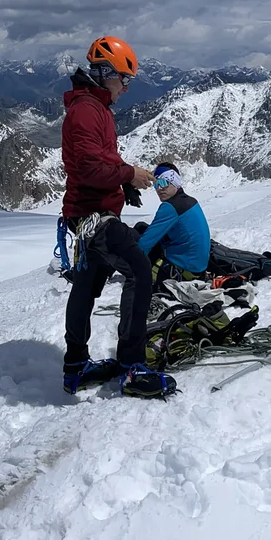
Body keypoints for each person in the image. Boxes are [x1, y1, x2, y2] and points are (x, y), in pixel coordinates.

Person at [61, 36, 175, 400]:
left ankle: (76, 367)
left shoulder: (93, 107)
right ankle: (131, 367)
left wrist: (121, 184)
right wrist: (128, 175)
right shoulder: (87, 111)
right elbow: (92, 167)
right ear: (106, 73)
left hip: (88, 212)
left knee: (86, 288)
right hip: (94, 216)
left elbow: (94, 162)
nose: (127, 87)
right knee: (139, 271)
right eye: (124, 79)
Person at [139, 163, 210, 288]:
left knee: (132, 237)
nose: (159, 188)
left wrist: (131, 264)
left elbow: (145, 243)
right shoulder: (190, 201)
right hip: (197, 268)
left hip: (182, 271)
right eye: (156, 184)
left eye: (164, 182)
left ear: (175, 182)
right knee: (141, 227)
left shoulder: (170, 207)